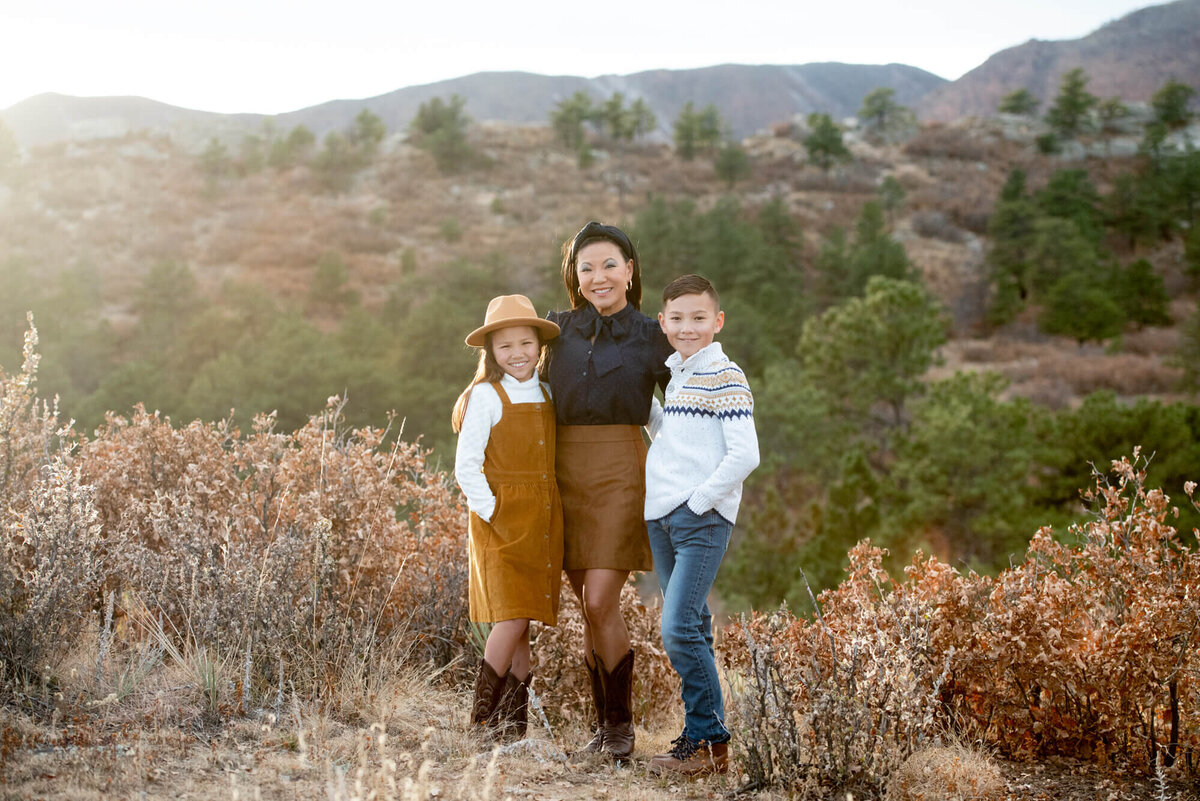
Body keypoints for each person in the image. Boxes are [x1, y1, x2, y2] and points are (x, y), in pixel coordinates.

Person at [544, 221, 672, 760]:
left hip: (623, 469)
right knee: (588, 607)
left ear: (630, 270)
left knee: (601, 598)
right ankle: (604, 730)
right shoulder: (555, 329)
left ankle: (620, 730)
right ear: (574, 276)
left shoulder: (652, 333)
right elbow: (515, 369)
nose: (599, 276)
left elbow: (686, 401)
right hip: (562, 471)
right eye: (586, 267)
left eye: (609, 265)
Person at [643, 274, 759, 776]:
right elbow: (675, 436)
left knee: (676, 631)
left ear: (718, 321)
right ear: (664, 322)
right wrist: (641, 406)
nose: (687, 327)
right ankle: (704, 744)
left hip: (699, 520)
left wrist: (699, 503)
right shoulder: (681, 374)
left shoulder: (725, 375)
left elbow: (745, 454)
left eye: (698, 317)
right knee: (694, 627)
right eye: (677, 318)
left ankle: (710, 740)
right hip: (663, 518)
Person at [453, 294, 564, 742]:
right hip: (500, 523)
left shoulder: (549, 392)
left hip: (542, 522)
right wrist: (495, 512)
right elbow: (466, 467)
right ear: (491, 353)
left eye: (525, 343)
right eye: (505, 347)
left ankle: (512, 727)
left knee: (525, 622)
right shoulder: (485, 396)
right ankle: (480, 720)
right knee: (511, 618)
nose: (517, 354)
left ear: (539, 346)